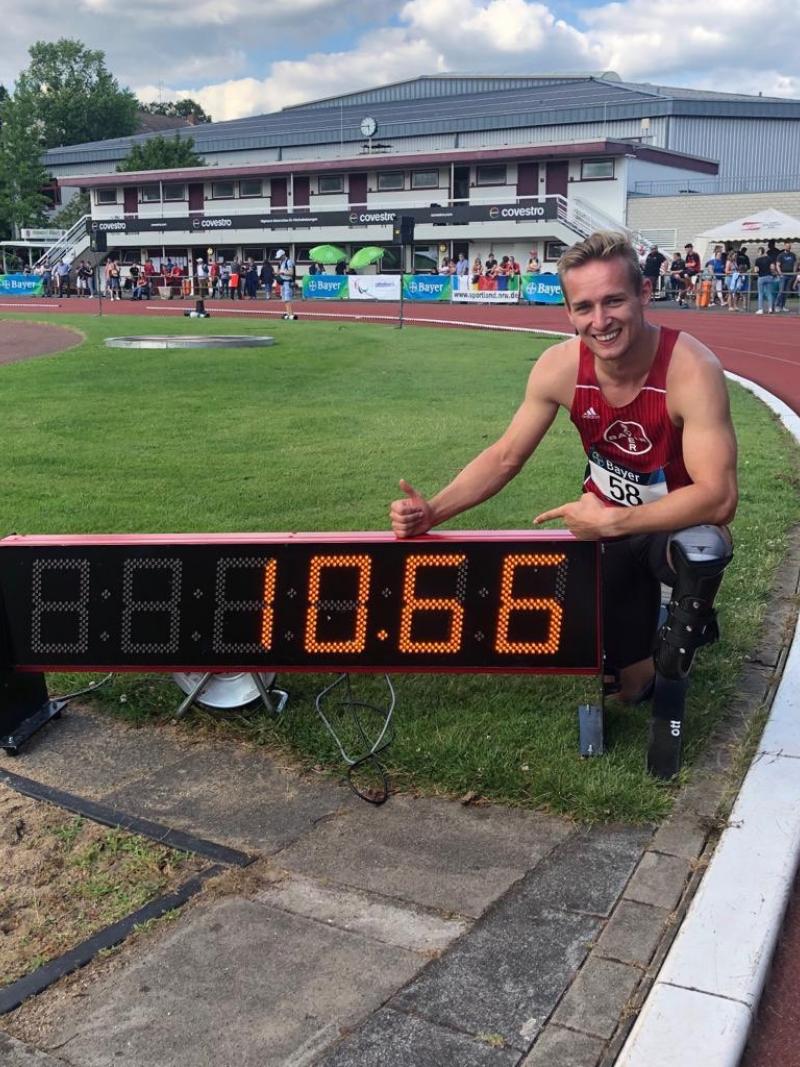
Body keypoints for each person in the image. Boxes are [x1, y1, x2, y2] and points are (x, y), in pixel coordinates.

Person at [390, 230, 737, 704]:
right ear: (569, 313)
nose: (600, 321)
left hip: (672, 522)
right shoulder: (559, 367)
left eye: (614, 301)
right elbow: (506, 456)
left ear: (644, 295)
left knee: (706, 547)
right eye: (584, 307)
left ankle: (689, 626)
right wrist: (433, 511)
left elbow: (719, 497)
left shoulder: (691, 369)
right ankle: (637, 653)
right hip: (605, 525)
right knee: (633, 689)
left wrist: (616, 518)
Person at [775, 242, 797, 312]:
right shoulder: (780, 255)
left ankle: (783, 306)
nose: (788, 247)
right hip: (783, 275)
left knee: (786, 292)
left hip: (790, 275)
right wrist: (780, 273)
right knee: (781, 291)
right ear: (784, 247)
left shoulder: (793, 255)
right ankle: (777, 306)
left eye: (789, 246)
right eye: (787, 246)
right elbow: (777, 265)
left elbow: (795, 263)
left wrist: (794, 272)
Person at [754, 246, 776, 314]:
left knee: (761, 293)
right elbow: (772, 268)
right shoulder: (769, 258)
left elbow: (756, 270)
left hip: (761, 277)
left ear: (759, 252)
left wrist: (757, 271)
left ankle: (760, 309)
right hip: (769, 276)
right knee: (769, 293)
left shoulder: (757, 260)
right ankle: (770, 309)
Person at [276, 248, 297, 319]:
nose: (279, 258)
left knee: (288, 299)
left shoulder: (289, 262)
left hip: (287, 282)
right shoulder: (281, 262)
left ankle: (291, 314)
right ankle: (288, 314)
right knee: (285, 299)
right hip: (283, 282)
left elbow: (291, 273)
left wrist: (282, 272)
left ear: (283, 255)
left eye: (280, 257)